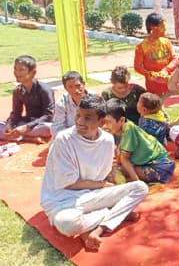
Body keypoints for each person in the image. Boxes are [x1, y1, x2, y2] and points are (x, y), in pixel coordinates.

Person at [40, 94, 148, 251]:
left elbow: (103, 175)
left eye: (87, 118)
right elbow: (69, 184)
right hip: (62, 200)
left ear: (101, 122)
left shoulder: (108, 140)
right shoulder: (63, 139)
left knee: (140, 187)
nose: (79, 122)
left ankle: (99, 228)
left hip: (92, 194)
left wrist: (106, 186)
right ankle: (115, 212)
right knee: (69, 224)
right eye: (78, 115)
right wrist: (103, 185)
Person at [104, 99, 175, 184]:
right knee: (114, 170)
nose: (104, 126)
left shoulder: (129, 129)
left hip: (160, 166)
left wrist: (136, 182)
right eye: (103, 122)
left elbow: (124, 159)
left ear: (121, 120)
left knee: (115, 170)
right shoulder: (124, 128)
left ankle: (133, 182)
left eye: (108, 122)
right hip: (158, 165)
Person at [0, 55, 54, 143]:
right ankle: (26, 138)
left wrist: (27, 127)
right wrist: (10, 125)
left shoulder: (44, 89)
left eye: (21, 70)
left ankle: (18, 136)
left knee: (49, 129)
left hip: (40, 124)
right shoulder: (17, 91)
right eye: (15, 69)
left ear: (33, 73)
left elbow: (49, 115)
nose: (16, 72)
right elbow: (16, 113)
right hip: (25, 123)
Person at [134, 12, 176, 99]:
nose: (165, 29)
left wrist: (166, 70)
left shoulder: (166, 42)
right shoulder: (142, 47)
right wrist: (151, 75)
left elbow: (174, 59)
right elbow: (137, 67)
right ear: (153, 28)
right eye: (163, 26)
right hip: (152, 86)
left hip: (167, 82)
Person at [51, 71, 90, 137]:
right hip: (70, 137)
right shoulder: (62, 102)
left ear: (83, 84)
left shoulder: (95, 99)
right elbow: (57, 128)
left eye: (78, 86)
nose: (75, 90)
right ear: (65, 88)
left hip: (90, 135)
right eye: (70, 87)